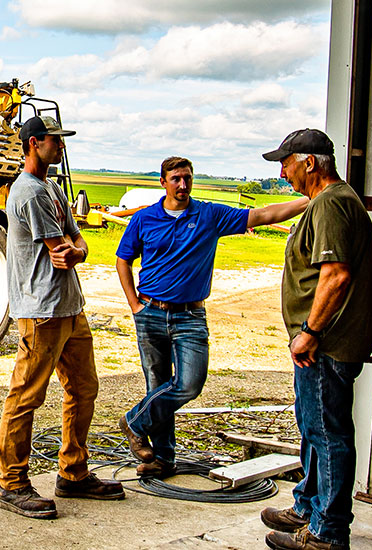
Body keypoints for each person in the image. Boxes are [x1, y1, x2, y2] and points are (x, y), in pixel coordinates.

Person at [115, 157, 308, 477]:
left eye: (187, 178)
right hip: (150, 313)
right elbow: (123, 260)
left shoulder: (209, 215)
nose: (182, 184)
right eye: (175, 178)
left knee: (189, 384)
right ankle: (162, 458)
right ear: (163, 182)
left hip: (190, 315)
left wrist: (309, 198)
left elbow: (263, 214)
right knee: (158, 386)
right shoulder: (144, 218)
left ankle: (134, 421)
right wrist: (135, 305)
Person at [0, 115, 125, 520]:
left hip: (70, 307)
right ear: (34, 143)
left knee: (83, 388)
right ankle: (12, 484)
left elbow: (77, 244)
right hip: (43, 312)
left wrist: (78, 249)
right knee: (26, 396)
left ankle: (73, 473)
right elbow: (59, 247)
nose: (61, 146)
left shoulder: (51, 188)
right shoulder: (29, 193)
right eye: (56, 141)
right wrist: (71, 249)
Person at [255, 129, 372, 550]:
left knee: (328, 434)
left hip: (328, 343)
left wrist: (310, 332)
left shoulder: (332, 204)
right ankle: (308, 505)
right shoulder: (327, 202)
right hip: (322, 343)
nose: (283, 172)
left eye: (285, 163)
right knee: (313, 427)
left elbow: (336, 274)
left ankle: (327, 532)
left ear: (309, 162)